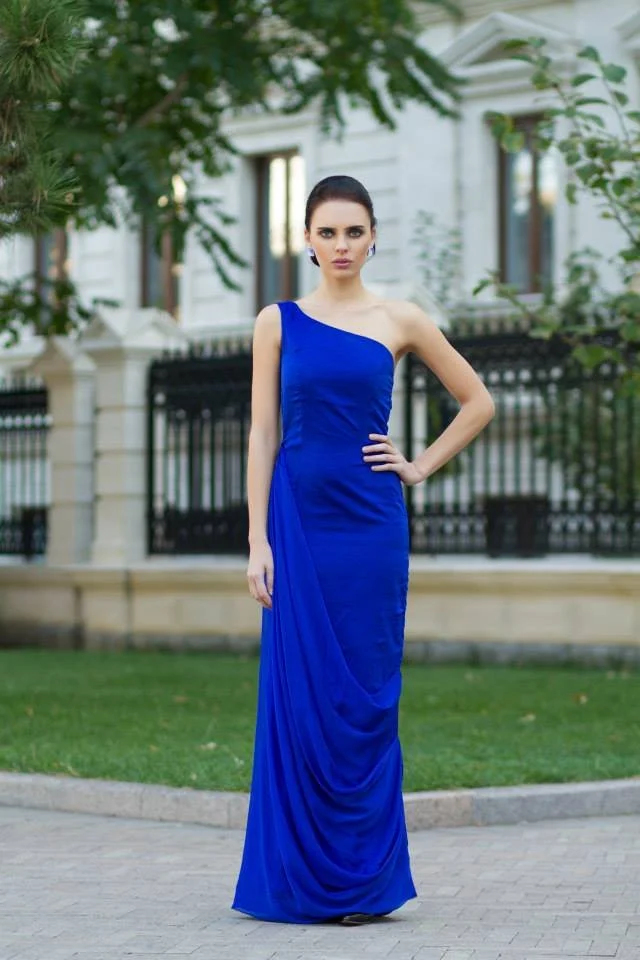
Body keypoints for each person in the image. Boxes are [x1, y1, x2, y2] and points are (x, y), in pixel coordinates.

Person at [231, 174, 495, 926]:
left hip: (370, 528)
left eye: (354, 232)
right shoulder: (276, 321)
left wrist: (417, 465)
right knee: (302, 694)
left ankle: (362, 885)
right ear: (306, 240)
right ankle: (304, 878)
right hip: (298, 524)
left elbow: (477, 401)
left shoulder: (400, 318)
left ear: (373, 237)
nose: (341, 245)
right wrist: (256, 539)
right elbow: (261, 434)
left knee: (366, 698)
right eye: (328, 232)